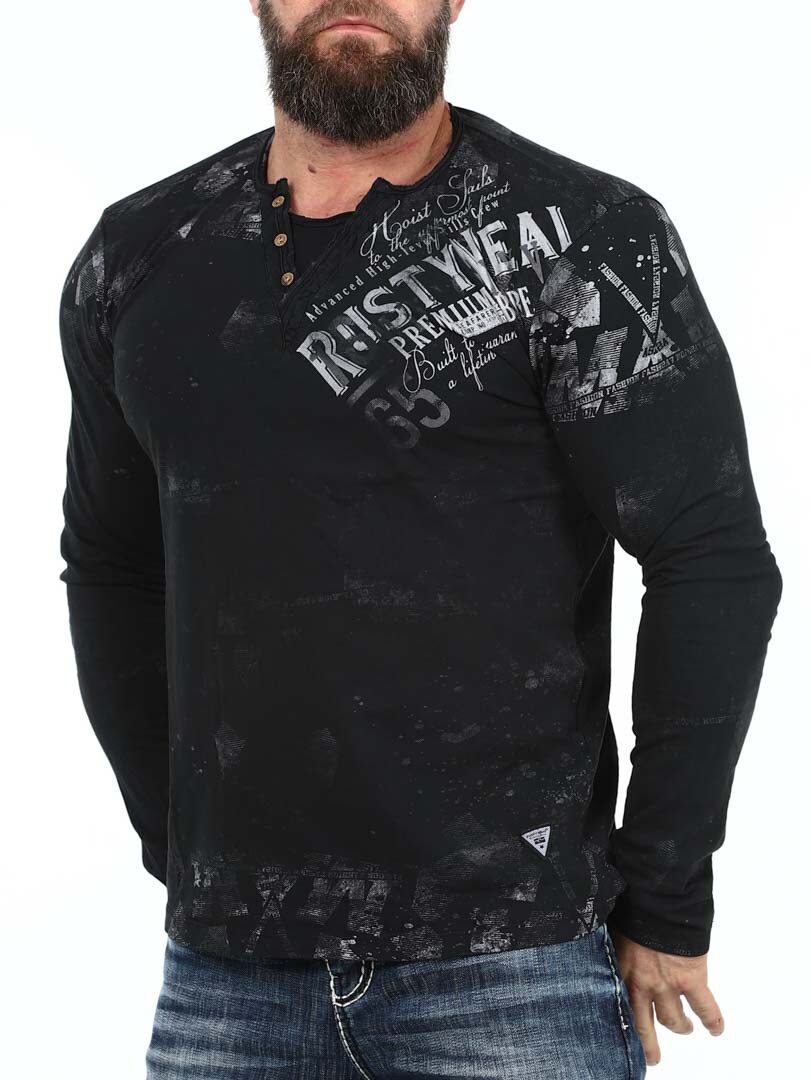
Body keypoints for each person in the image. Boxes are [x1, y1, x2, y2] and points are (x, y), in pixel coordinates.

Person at [56, 1, 783, 1076]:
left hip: (512, 964)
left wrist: (666, 894)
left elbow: (709, 558)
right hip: (228, 980)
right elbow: (111, 564)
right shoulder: (139, 254)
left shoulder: (580, 235)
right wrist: (179, 846)